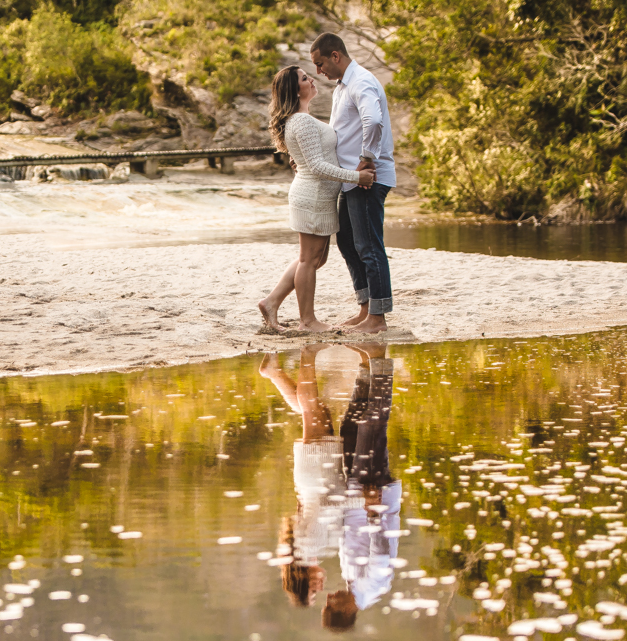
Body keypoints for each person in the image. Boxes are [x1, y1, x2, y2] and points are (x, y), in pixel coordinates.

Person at [259, 66, 376, 335]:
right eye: (304, 78)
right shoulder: (301, 121)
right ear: (294, 90)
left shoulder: (303, 119)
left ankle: (272, 301)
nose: (311, 79)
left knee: (314, 259)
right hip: (311, 197)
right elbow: (316, 166)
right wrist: (357, 177)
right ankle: (307, 321)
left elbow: (311, 158)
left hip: (319, 197)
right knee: (309, 260)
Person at [309, 33, 396, 334]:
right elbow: (340, 131)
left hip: (367, 178)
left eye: (320, 64)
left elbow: (373, 121)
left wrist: (367, 157)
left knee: (369, 245)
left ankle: (378, 317)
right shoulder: (343, 86)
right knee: (347, 241)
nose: (319, 72)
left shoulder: (360, 81)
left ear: (335, 56)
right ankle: (365, 309)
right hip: (351, 179)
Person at [259, 346, 358, 607]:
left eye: (313, 591)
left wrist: (361, 502)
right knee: (316, 411)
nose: (321, 586)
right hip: (313, 477)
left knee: (313, 408)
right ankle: (274, 373)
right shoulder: (304, 552)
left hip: (318, 472)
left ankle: (308, 352)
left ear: (302, 580)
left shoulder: (310, 547)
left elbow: (324, 506)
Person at [322, 342, 400, 631]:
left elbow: (350, 536)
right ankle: (378, 361)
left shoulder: (353, 583)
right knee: (372, 424)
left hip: (357, 491)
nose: (329, 596)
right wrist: (374, 509)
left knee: (350, 428)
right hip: (373, 495)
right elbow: (379, 551)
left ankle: (365, 364)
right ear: (345, 610)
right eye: (331, 603)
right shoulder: (373, 586)